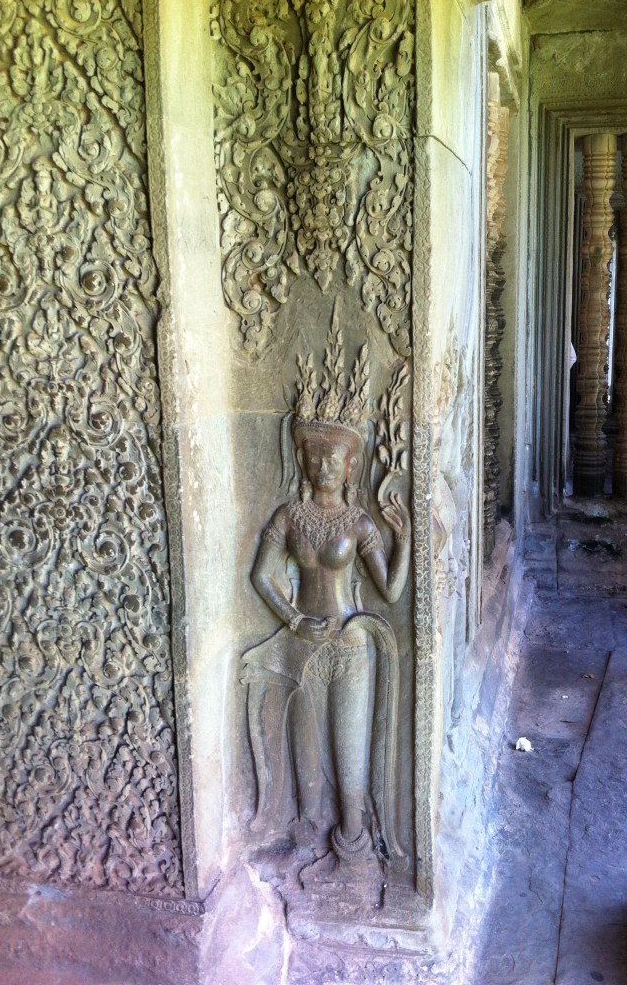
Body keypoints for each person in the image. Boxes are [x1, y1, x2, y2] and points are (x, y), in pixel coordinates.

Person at [244, 321, 410, 871]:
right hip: (304, 642)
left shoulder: (360, 522)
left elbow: (388, 590)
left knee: (351, 757)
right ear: (303, 460)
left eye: (332, 457)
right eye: (313, 456)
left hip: (351, 644)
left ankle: (355, 849)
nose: (322, 465)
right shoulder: (288, 516)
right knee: (309, 757)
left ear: (350, 465)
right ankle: (311, 840)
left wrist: (405, 539)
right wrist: (292, 620)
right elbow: (263, 577)